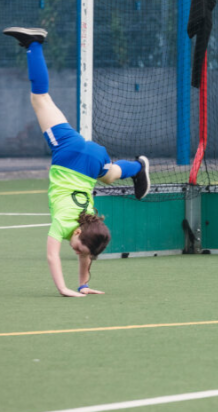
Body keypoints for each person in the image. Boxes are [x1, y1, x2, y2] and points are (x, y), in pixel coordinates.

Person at [3, 26, 151, 297]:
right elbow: (51, 257)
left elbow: (87, 254)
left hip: (92, 156)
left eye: (77, 249)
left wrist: (83, 285)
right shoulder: (63, 222)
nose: (75, 250)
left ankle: (139, 167)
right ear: (82, 231)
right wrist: (64, 288)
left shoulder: (89, 222)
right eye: (78, 246)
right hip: (69, 154)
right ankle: (33, 44)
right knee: (38, 98)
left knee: (107, 176)